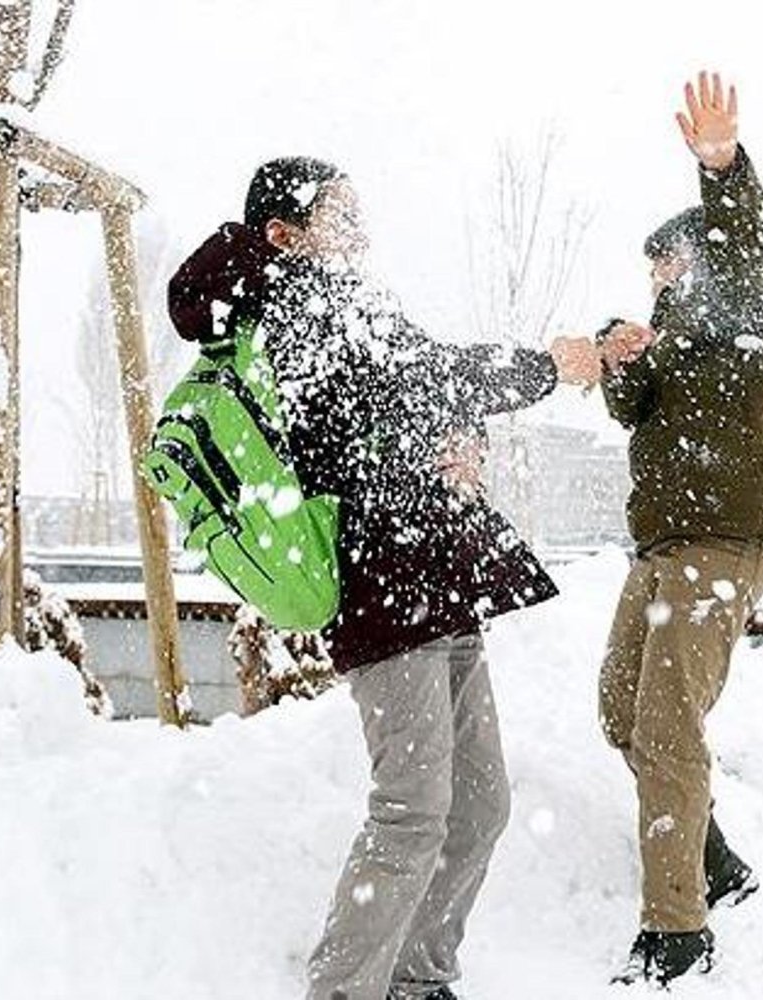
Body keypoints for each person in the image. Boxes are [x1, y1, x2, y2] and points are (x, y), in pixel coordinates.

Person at [166, 157, 607, 1000]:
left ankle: (419, 980)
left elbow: (418, 387)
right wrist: (546, 367)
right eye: (341, 214)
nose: (361, 230)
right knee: (411, 810)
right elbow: (416, 380)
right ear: (285, 235)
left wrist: (462, 433)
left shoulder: (348, 303)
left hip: (435, 575)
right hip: (383, 586)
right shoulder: (296, 307)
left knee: (480, 804)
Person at [593, 71, 763, 988]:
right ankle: (714, 857)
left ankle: (677, 931)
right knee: (620, 709)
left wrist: (720, 166)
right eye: (652, 273)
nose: (659, 281)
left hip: (725, 542)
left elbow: (750, 244)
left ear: (706, 254)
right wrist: (617, 354)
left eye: (669, 265)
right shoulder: (675, 340)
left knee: (668, 724)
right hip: (664, 546)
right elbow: (630, 410)